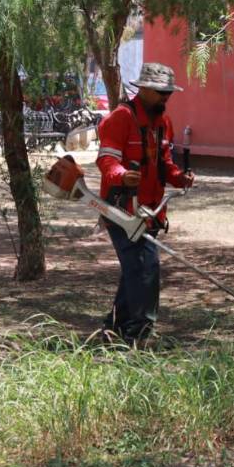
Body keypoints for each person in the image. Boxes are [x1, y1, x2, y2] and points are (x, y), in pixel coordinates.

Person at [96, 62, 195, 344]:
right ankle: (139, 334)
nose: (167, 97)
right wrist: (121, 175)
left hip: (151, 212)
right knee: (145, 268)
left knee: (135, 271)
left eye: (169, 92)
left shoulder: (163, 122)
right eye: (162, 92)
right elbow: (106, 159)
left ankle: (113, 330)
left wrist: (180, 178)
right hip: (121, 210)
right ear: (144, 89)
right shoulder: (120, 118)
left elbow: (164, 165)